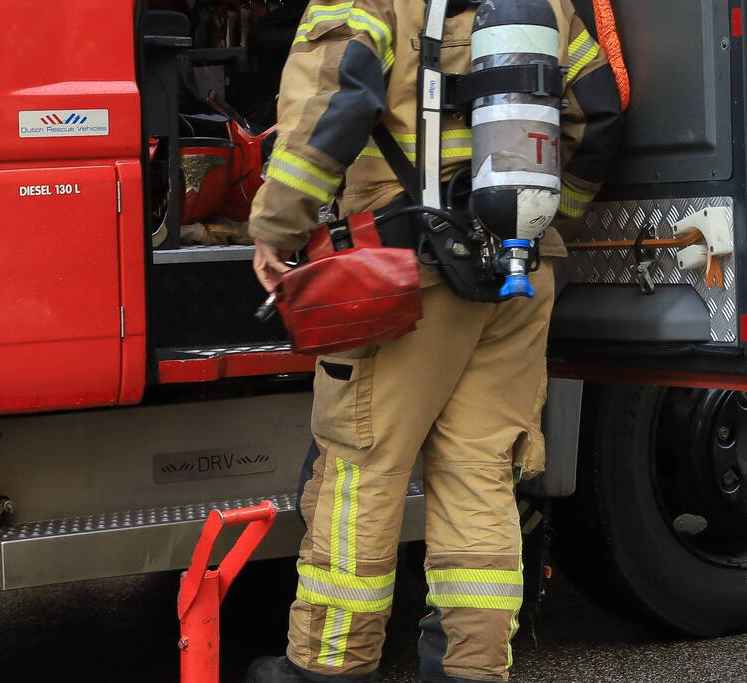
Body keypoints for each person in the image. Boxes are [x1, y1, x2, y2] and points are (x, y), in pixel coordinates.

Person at [246, 0, 624, 679]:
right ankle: (471, 669)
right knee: (480, 475)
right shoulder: (548, 5)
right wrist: (545, 222)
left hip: (401, 277)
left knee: (362, 468)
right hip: (517, 274)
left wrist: (275, 226)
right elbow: (596, 115)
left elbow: (331, 105)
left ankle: (327, 665)